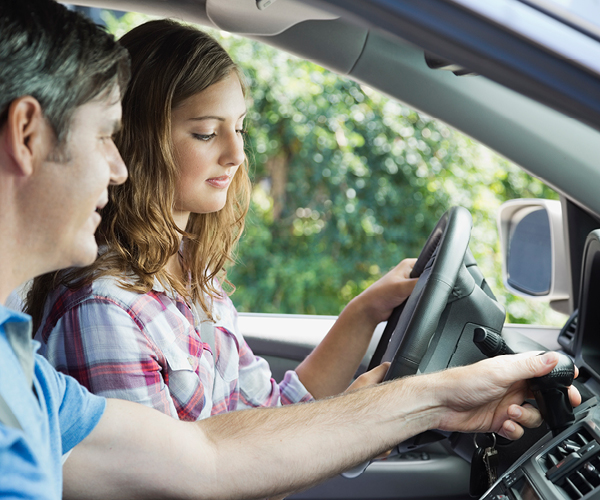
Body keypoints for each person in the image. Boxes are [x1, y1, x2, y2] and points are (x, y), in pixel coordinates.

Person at [0, 1, 581, 499]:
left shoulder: (26, 379)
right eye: (104, 135)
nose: (118, 165)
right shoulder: (99, 311)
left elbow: (207, 458)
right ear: (27, 134)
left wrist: (432, 399)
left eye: (241, 128)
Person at [26, 18, 418, 420]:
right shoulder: (105, 310)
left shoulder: (193, 274)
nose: (237, 153)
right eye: (206, 133)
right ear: (139, 139)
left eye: (239, 128)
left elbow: (270, 415)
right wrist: (356, 420)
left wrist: (367, 311)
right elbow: (184, 480)